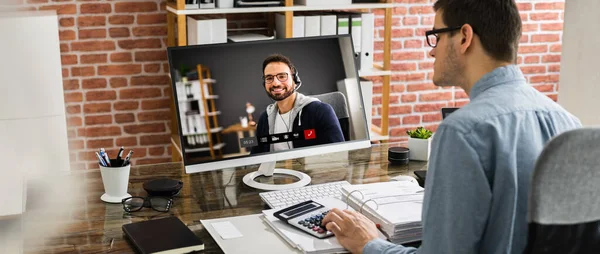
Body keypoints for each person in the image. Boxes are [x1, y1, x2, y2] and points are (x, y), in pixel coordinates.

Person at [322, 0, 582, 253]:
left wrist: (368, 243)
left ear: (464, 37)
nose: (432, 50)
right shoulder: (569, 123)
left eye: (436, 35)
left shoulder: (463, 132)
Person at [250, 54, 345, 154]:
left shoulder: (321, 111)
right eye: (269, 78)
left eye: (282, 76)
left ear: (295, 80)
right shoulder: (264, 119)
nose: (276, 83)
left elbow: (339, 155)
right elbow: (255, 157)